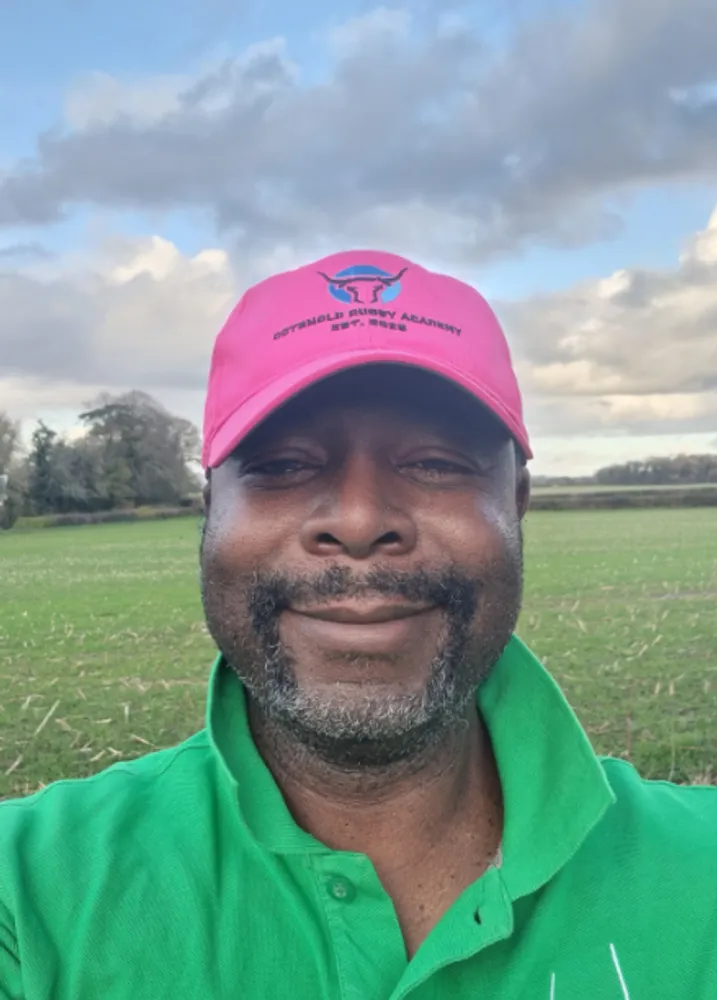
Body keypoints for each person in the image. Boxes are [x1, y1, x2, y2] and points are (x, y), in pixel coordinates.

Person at [1, 251, 716, 1000]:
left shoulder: (700, 873)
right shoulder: (27, 893)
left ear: (516, 503)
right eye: (283, 464)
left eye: (437, 462)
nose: (359, 519)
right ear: (211, 509)